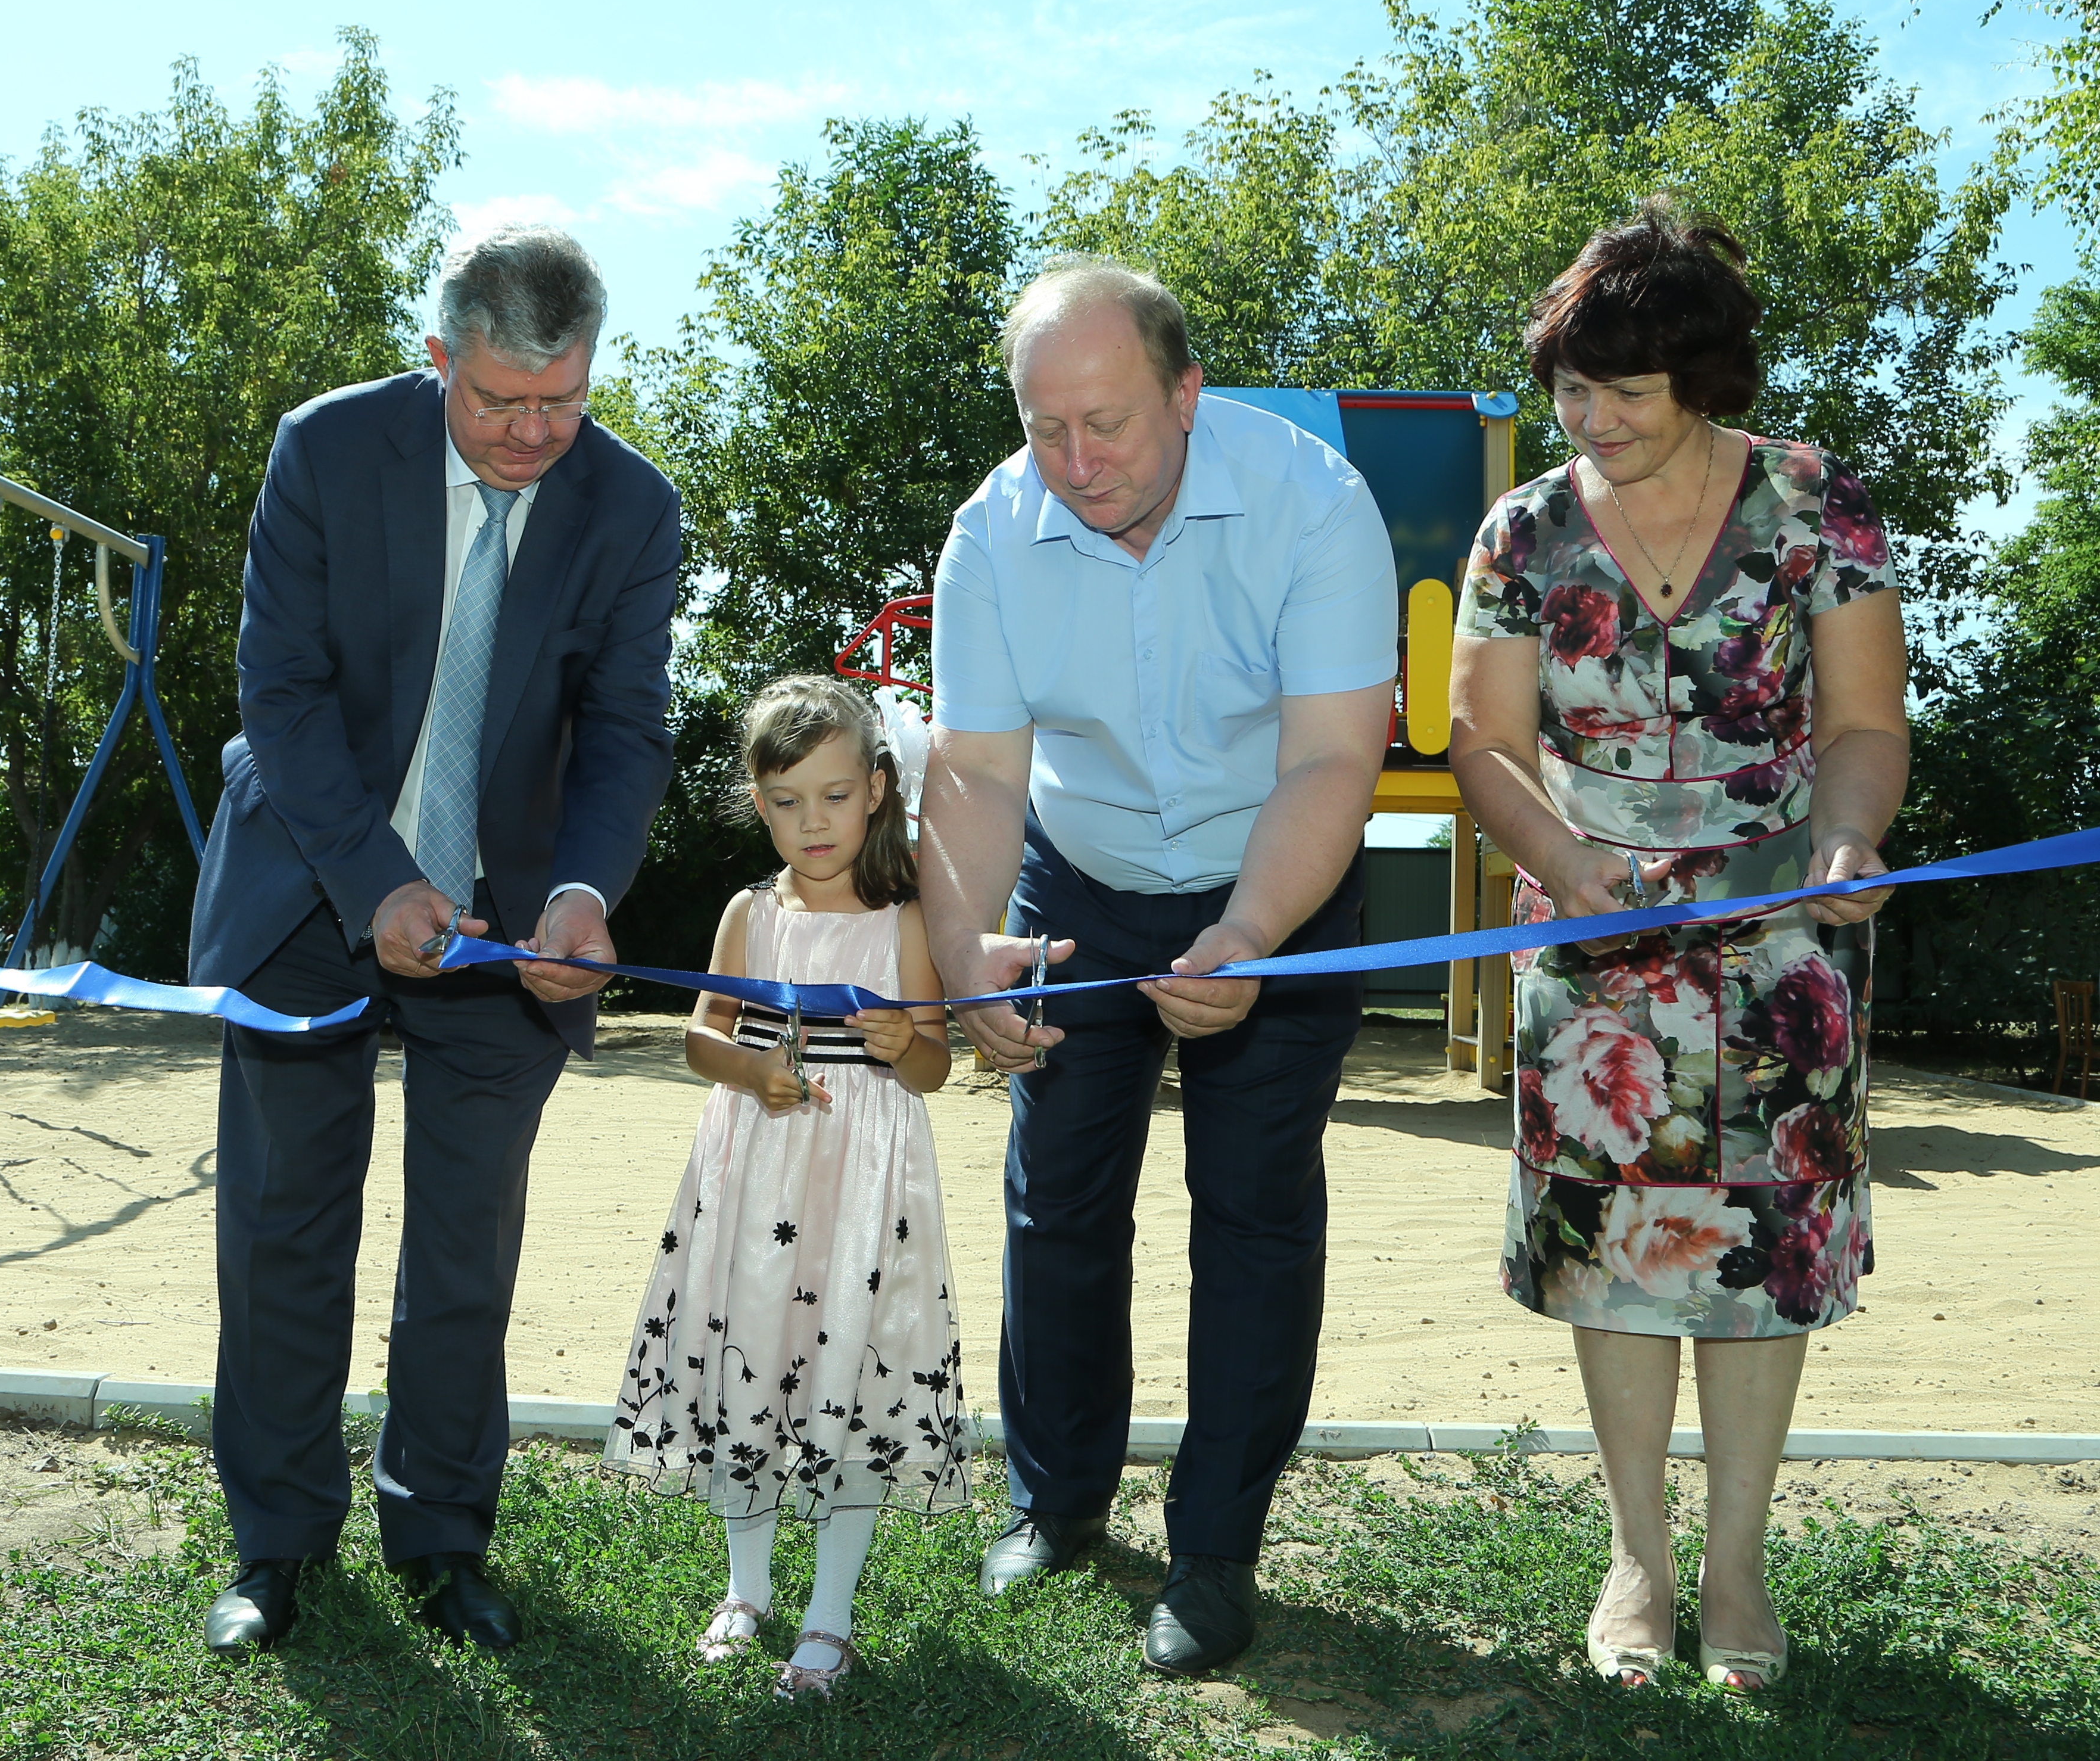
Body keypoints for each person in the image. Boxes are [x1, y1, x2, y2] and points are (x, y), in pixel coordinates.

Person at [187, 225, 681, 1656]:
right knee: (286, 1228)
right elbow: (277, 695)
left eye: (563, 402)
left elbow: (628, 732)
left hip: (511, 925)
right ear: (438, 356)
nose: (532, 434)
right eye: (498, 401)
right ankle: (277, 1541)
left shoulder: (635, 513)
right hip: (308, 886)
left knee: (466, 1243)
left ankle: (443, 1534)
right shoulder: (325, 453)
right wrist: (377, 879)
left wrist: (584, 895)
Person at [1448, 200, 1906, 1694]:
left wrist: (1845, 843)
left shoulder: (1815, 505)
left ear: (1702, 376)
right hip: (1593, 941)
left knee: (1766, 1249)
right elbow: (1483, 745)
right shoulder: (1523, 529)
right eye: (1572, 391)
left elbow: (1861, 726)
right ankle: (1637, 1559)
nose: (1593, 420)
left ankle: (1737, 1568)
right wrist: (1575, 871)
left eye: (1626, 393)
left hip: (1781, 943)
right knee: (1617, 1257)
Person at [919, 256, 1397, 1675]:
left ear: (1187, 392)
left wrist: (1250, 931)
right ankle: (1055, 1502)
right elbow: (978, 770)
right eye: (1045, 429)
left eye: (1110, 423)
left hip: (1282, 882)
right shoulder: (991, 536)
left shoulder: (1316, 502)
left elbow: (1332, 757)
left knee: (1251, 1212)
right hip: (1082, 881)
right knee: (1059, 1205)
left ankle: (1215, 1549)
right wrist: (968, 951)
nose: (1079, 463)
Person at [606, 675, 968, 1701]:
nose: (811, 823)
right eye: (785, 801)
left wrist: (903, 1042)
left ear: (880, 791)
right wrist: (749, 1072)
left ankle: (831, 1615)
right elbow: (700, 1034)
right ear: (757, 804)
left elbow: (936, 1066)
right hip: (756, 1173)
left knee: (843, 1371)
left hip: (860, 1187)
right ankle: (747, 1590)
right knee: (751, 1363)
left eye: (834, 796)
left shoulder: (903, 923)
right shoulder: (747, 914)